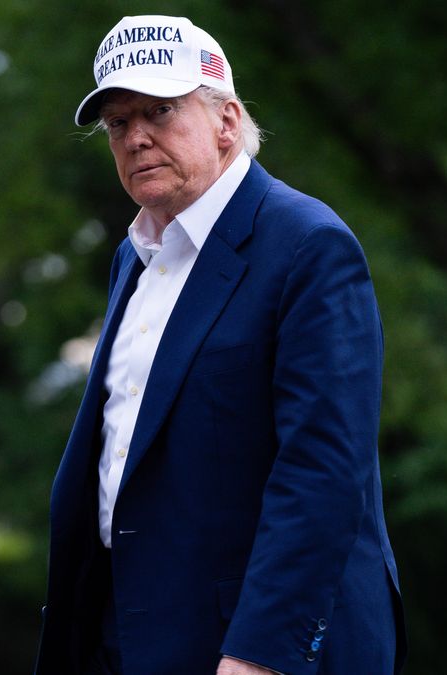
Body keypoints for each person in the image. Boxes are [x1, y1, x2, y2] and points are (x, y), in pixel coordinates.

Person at [34, 15, 405, 675]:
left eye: (160, 110)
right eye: (119, 123)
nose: (137, 136)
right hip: (130, 632)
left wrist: (259, 654)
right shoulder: (136, 253)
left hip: (251, 647)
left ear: (227, 121)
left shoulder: (307, 245)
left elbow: (323, 469)